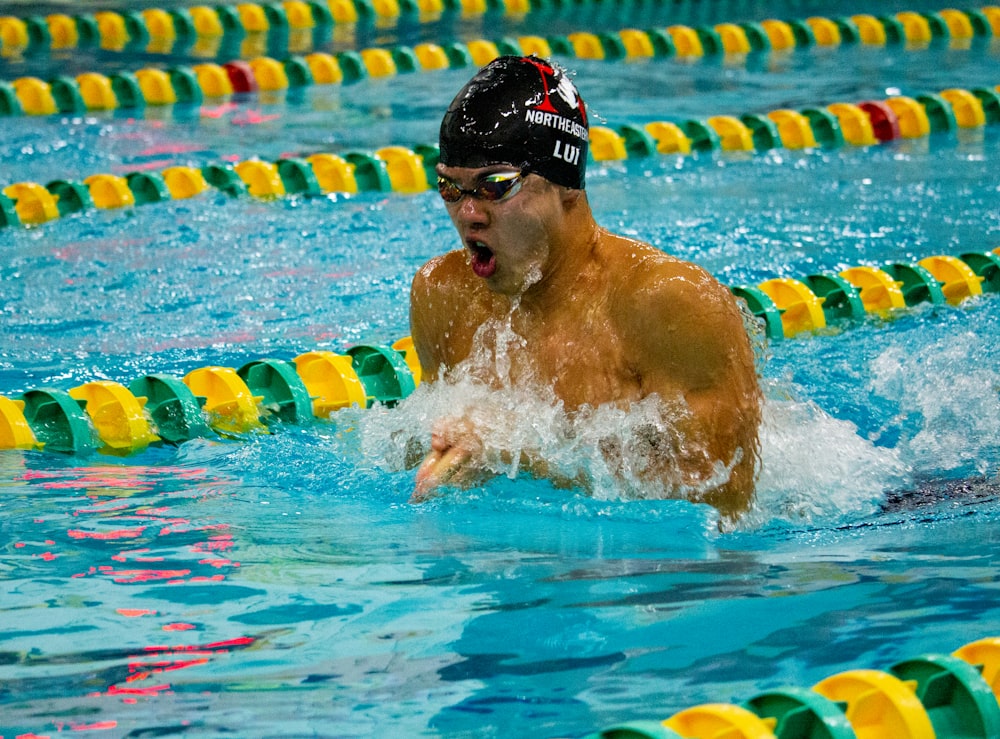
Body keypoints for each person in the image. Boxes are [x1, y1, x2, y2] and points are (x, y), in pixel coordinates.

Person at [408, 55, 762, 519]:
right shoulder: (442, 294)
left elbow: (725, 496)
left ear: (565, 183)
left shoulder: (669, 303)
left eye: (494, 185)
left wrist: (523, 453)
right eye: (451, 189)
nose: (468, 213)